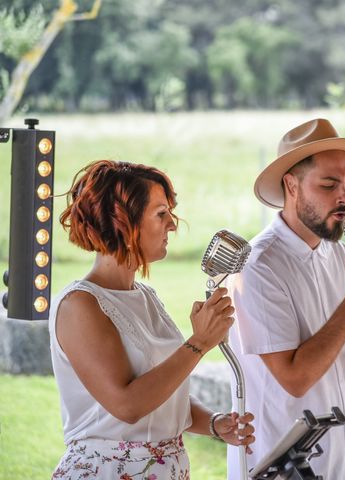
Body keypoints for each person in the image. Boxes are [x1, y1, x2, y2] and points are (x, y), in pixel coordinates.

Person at [226, 118, 345, 479]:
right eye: (329, 184)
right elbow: (295, 378)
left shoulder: (340, 255)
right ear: (291, 185)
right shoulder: (257, 266)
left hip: (337, 463)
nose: (344, 197)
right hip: (279, 467)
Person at [49, 160, 255, 479]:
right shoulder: (81, 305)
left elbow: (161, 393)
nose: (173, 224)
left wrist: (214, 423)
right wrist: (198, 343)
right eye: (161, 213)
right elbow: (127, 406)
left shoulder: (146, 296)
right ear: (123, 222)